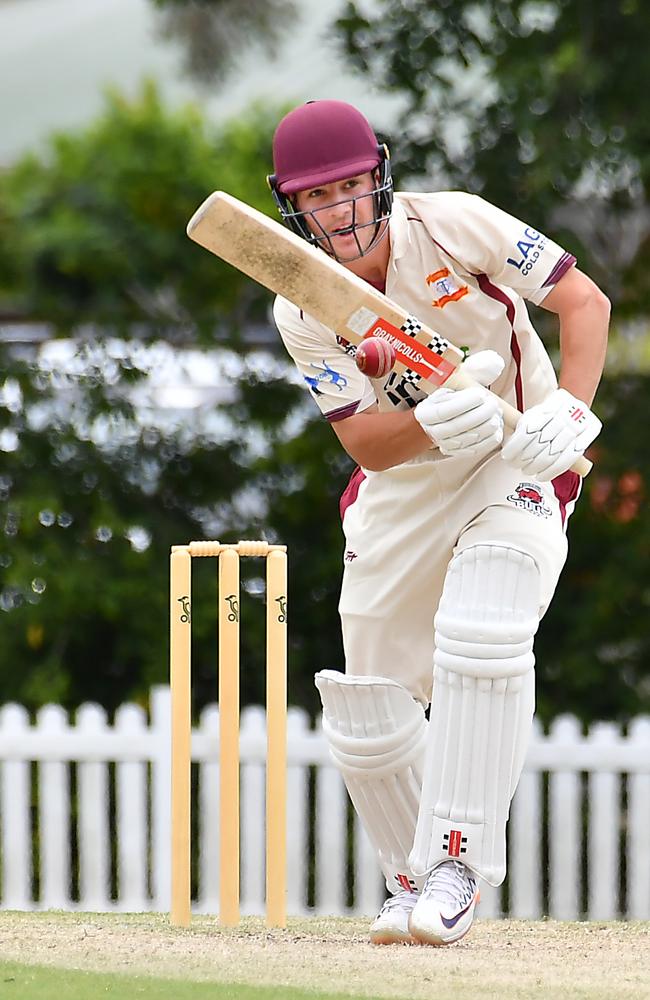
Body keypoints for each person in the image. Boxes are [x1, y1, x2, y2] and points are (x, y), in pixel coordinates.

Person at [267, 100, 609, 946]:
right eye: (319, 198)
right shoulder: (302, 306)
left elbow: (586, 301)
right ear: (293, 206)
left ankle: (456, 863)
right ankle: (409, 877)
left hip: (516, 459)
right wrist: (431, 422)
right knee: (366, 705)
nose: (340, 212)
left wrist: (570, 409)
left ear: (378, 177)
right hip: (409, 485)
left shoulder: (453, 224)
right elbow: (367, 446)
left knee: (485, 627)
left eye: (350, 188)